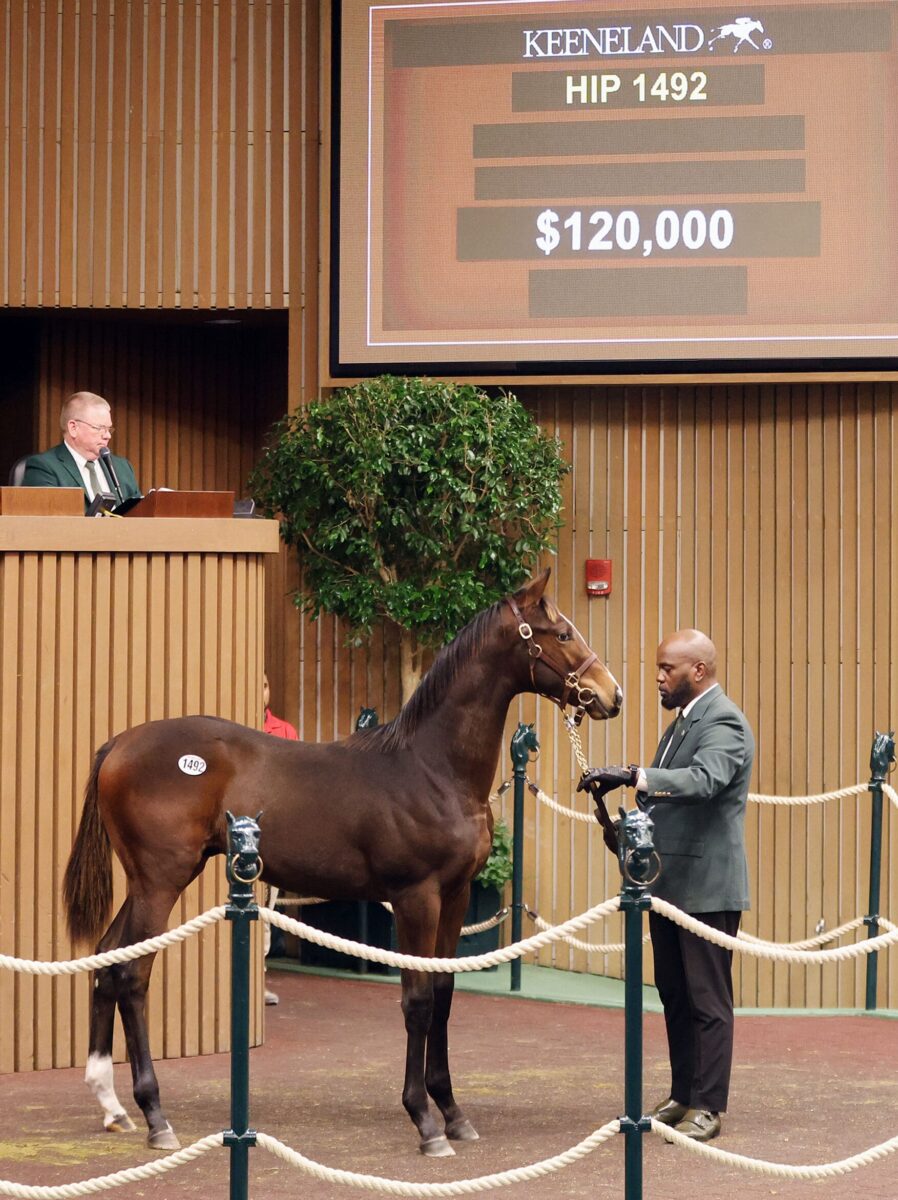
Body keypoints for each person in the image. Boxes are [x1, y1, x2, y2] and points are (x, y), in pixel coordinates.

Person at [579, 629, 754, 1143]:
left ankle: (710, 1106)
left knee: (708, 1001)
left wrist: (635, 774)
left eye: (667, 669)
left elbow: (704, 781)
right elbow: (664, 798)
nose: (658, 677)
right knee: (676, 996)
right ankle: (683, 1095)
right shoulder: (682, 723)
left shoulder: (723, 720)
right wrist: (626, 816)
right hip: (669, 885)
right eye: (658, 668)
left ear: (697, 671)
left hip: (707, 887)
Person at [22, 391, 141, 511]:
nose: (107, 436)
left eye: (108, 429)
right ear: (73, 428)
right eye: (99, 428)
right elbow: (46, 521)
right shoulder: (44, 467)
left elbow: (139, 515)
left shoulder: (123, 468)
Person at [261, 672, 298, 1004]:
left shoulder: (284, 731)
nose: (262, 692)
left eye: (266, 685)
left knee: (266, 913)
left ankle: (259, 979)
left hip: (273, 836)